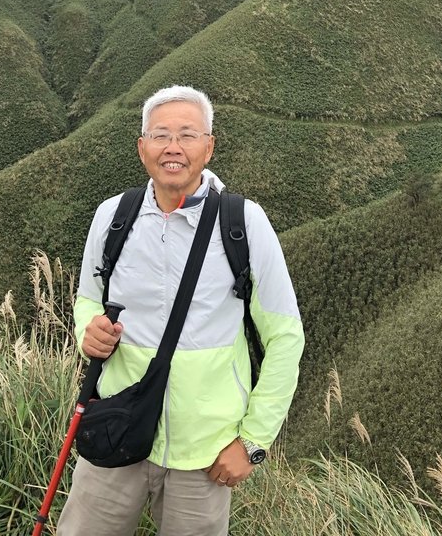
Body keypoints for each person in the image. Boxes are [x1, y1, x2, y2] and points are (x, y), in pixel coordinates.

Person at [57, 84, 305, 536]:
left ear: (209, 147)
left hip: (205, 452)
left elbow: (286, 335)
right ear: (142, 148)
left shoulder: (244, 223)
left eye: (188, 135)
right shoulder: (114, 216)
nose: (173, 147)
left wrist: (252, 443)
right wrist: (86, 330)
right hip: (118, 426)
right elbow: (89, 296)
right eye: (161, 135)